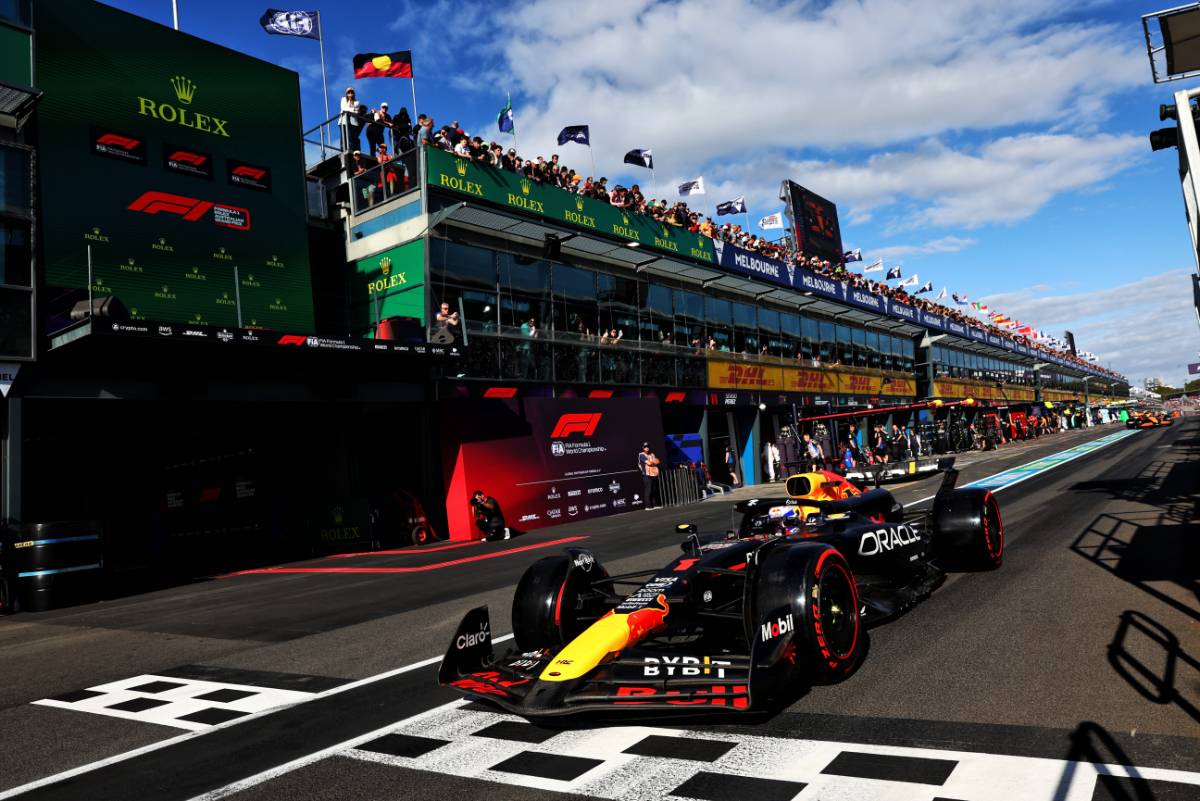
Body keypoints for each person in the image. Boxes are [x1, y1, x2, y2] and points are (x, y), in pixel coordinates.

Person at [638, 443, 661, 510]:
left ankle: (655, 504)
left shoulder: (652, 454)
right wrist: (653, 461)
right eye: (645, 447)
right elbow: (649, 463)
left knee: (654, 489)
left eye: (647, 447)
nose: (647, 448)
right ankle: (647, 506)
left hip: (654, 474)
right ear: (643, 448)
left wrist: (653, 461)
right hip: (646, 475)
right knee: (649, 490)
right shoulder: (641, 455)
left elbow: (658, 461)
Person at [339, 87, 361, 151]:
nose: (350, 94)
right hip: (343, 120)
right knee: (343, 136)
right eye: (349, 92)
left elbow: (357, 112)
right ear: (347, 94)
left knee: (352, 136)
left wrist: (350, 109)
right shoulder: (343, 99)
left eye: (352, 92)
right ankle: (343, 150)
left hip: (353, 121)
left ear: (354, 94)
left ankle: (352, 150)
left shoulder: (357, 102)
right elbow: (343, 108)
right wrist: (353, 109)